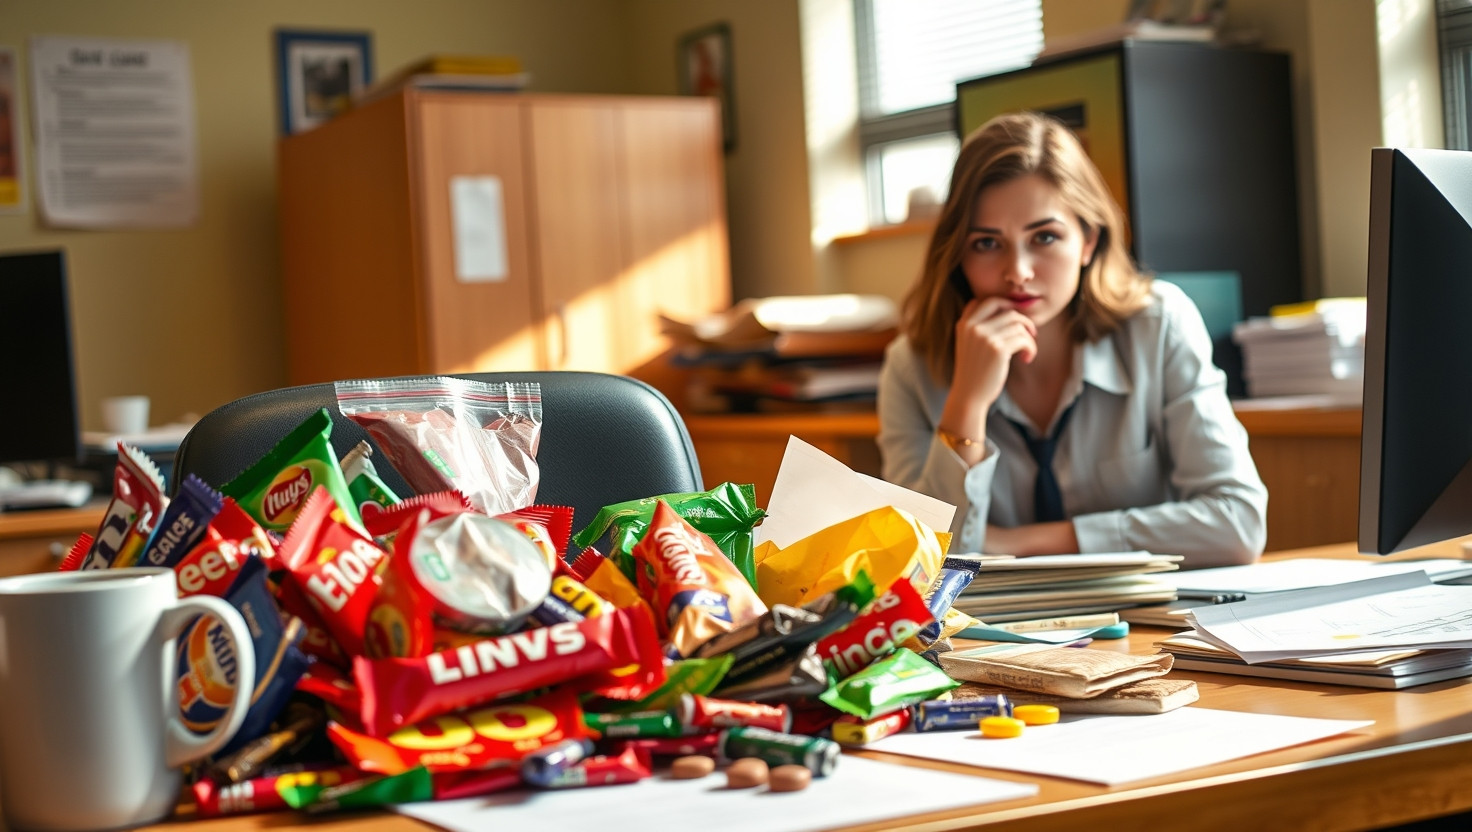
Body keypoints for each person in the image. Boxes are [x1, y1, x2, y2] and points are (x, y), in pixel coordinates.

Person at [876, 111, 1266, 568]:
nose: (1017, 271)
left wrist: (1020, 544)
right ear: (957, 252)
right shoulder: (911, 365)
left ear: (1087, 241)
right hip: (990, 635)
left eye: (1044, 237)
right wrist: (966, 406)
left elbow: (1238, 525)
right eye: (986, 242)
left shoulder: (1158, 325)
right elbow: (913, 561)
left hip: (1146, 623)